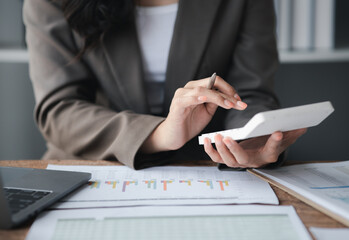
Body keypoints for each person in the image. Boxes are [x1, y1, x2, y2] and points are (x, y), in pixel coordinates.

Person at [23, 0, 306, 170]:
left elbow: (251, 90)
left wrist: (251, 137)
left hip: (207, 167)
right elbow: (59, 109)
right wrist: (160, 133)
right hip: (96, 163)